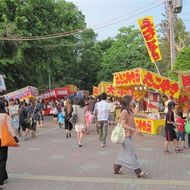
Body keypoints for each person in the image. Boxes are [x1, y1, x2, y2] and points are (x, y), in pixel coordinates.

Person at [113, 95, 149, 178]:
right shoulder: (124, 111)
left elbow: (133, 122)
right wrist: (133, 129)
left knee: (123, 153)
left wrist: (137, 130)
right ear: (128, 102)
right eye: (132, 100)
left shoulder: (130, 111)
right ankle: (138, 171)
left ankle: (116, 168)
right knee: (131, 154)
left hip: (129, 135)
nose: (134, 102)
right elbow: (123, 124)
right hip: (125, 136)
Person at [0, 100, 19, 187]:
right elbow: (11, 129)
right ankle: (1, 179)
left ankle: (4, 176)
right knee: (3, 160)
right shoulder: (5, 116)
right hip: (3, 140)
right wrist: (16, 140)